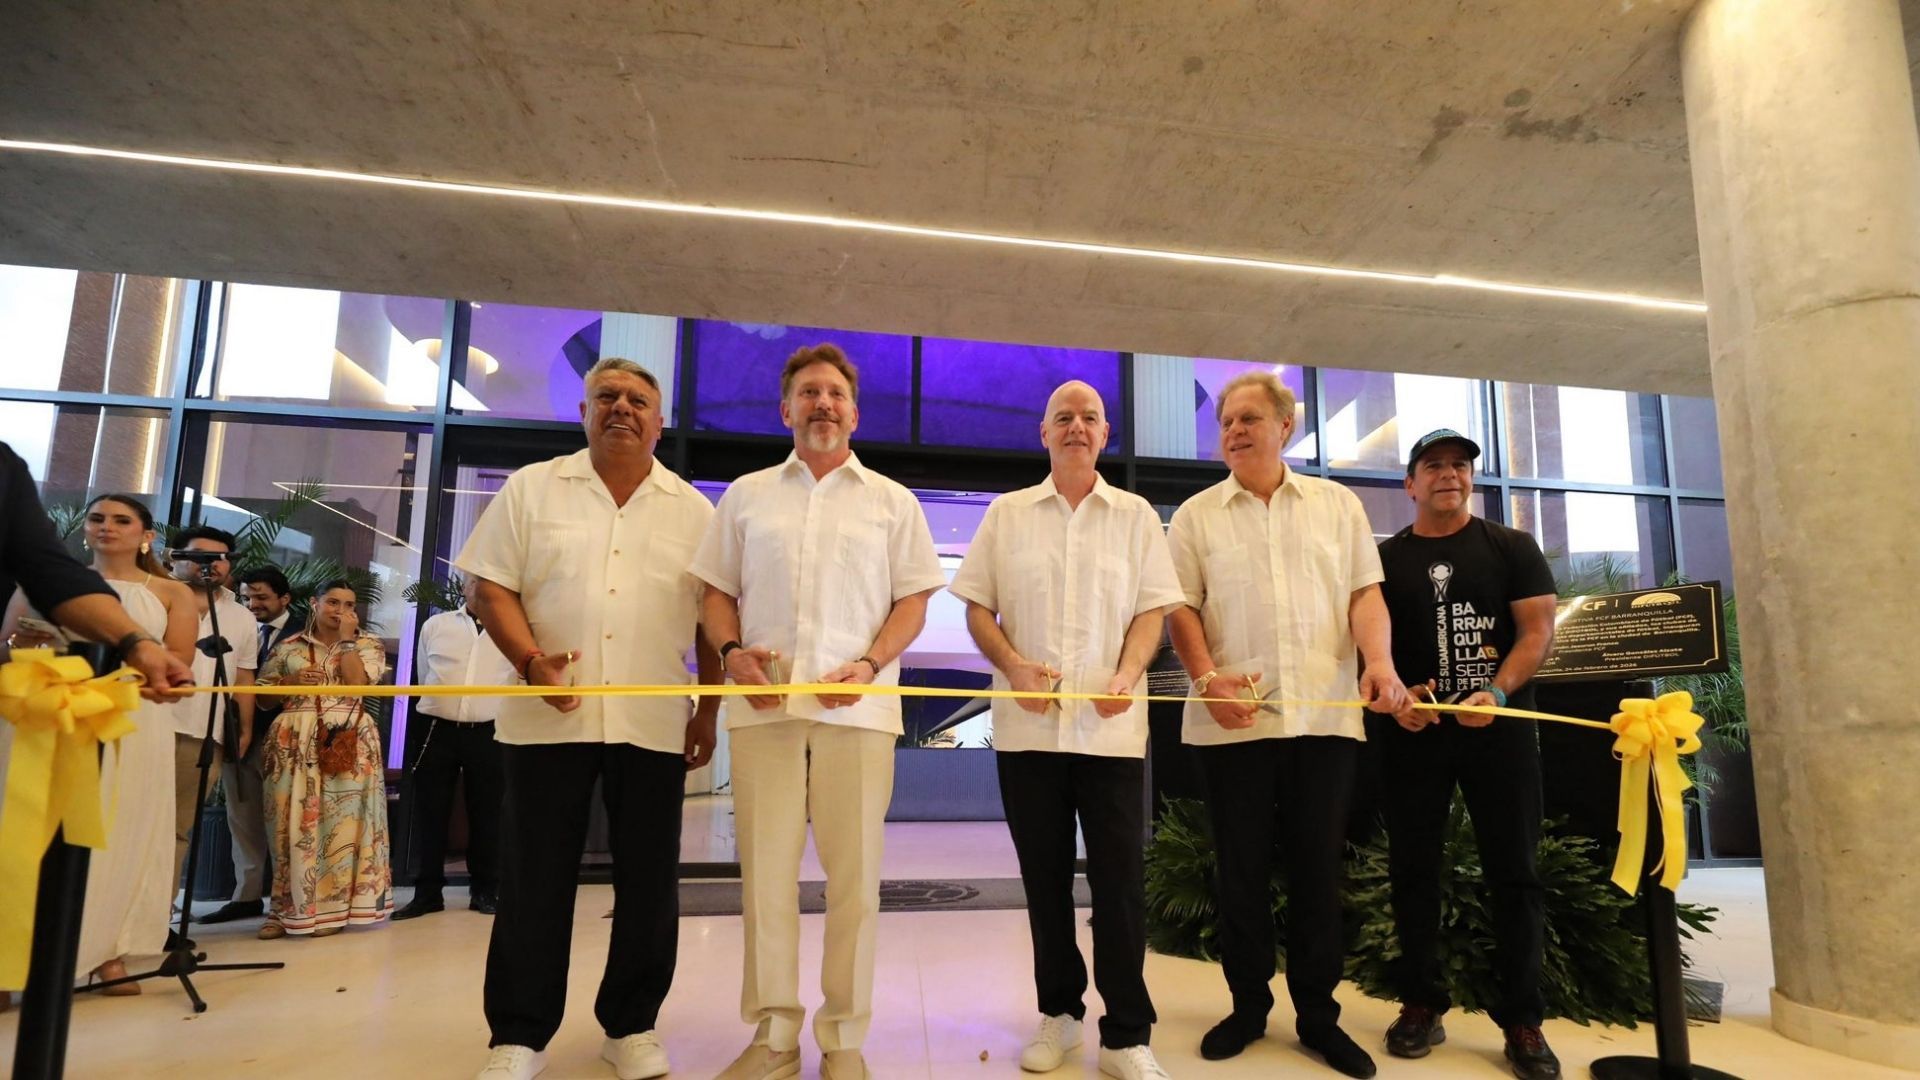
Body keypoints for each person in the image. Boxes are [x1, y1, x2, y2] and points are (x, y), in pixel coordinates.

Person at [456, 357, 720, 1080]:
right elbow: (491, 589)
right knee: (533, 877)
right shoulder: (532, 489)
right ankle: (518, 1033)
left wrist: (710, 712)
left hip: (652, 724)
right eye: (608, 396)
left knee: (649, 881)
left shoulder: (694, 510)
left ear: (660, 422)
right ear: (584, 410)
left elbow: (710, 621)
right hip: (548, 721)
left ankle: (631, 1025)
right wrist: (530, 660)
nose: (622, 409)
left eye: (639, 400)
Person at [691, 343, 947, 1080]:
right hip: (765, 711)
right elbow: (714, 591)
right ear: (786, 409)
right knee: (765, 877)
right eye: (808, 393)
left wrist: (869, 665)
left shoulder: (891, 501)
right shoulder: (745, 496)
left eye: (835, 394)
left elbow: (914, 602)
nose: (823, 404)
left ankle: (843, 1039)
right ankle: (772, 1035)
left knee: (855, 885)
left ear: (854, 412)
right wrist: (732, 651)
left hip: (859, 717)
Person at [1165, 371, 1408, 1079]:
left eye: (1249, 418)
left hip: (1323, 722)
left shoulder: (1338, 506)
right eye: (1225, 423)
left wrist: (1380, 664)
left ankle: (1318, 1019)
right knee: (1239, 875)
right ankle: (1245, 1009)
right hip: (1232, 726)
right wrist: (1207, 682)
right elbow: (1181, 610)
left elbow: (1366, 594)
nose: (1235, 431)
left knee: (1316, 877)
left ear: (1285, 427)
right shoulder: (1196, 515)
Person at [949, 381, 1185, 1080]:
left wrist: (1128, 670)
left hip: (1111, 732)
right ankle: (1060, 1016)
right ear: (1042, 433)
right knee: (1044, 883)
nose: (1076, 426)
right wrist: (1015, 665)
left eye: (1088, 417)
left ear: (1104, 434)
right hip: (1029, 734)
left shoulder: (1137, 516)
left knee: (1120, 886)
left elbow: (1152, 613)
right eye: (1063, 418)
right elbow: (978, 610)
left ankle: (1126, 1035)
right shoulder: (1007, 514)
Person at [1370, 430, 1562, 1080]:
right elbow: (1368, 646)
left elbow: (1538, 632)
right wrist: (1400, 695)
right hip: (1413, 735)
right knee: (1414, 871)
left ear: (1470, 479)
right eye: (1433, 465)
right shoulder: (1384, 560)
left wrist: (1497, 691)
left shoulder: (1511, 547)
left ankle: (1523, 1020)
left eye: (1459, 465)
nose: (1448, 474)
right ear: (1411, 484)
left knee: (1516, 873)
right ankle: (1421, 1002)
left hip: (1498, 735)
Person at [1, 492, 197, 995]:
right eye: (97, 518)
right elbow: (9, 646)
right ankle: (12, 960)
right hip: (52, 717)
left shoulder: (172, 593)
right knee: (35, 829)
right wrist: (29, 646)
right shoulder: (45, 584)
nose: (107, 527)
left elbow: (178, 660)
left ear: (145, 533)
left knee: (121, 828)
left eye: (121, 520)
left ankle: (110, 951)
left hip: (130, 719)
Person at [255, 578, 392, 938]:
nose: (341, 611)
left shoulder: (367, 645)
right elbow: (262, 698)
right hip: (292, 741)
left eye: (349, 605)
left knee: (342, 824)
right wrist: (292, 682)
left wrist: (347, 642)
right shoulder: (288, 646)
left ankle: (334, 910)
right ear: (314, 603)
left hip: (349, 738)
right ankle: (283, 911)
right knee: (287, 824)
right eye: (333, 602)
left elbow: (358, 687)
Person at [396, 575, 515, 920]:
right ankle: (427, 893)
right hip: (437, 728)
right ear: (464, 588)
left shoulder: (510, 630)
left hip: (490, 731)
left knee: (488, 813)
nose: (480, 589)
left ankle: (485, 890)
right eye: (474, 582)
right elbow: (422, 673)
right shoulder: (436, 625)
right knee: (431, 812)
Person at [165, 526, 258, 919]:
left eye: (219, 558)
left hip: (206, 735)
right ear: (175, 558)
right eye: (200, 556)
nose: (211, 565)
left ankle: (157, 918)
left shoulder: (239, 616)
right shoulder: (154, 599)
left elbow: (244, 678)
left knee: (177, 831)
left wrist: (244, 729)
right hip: (147, 728)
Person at [202, 564, 299, 924]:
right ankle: (245, 896)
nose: (253, 604)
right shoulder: (234, 626)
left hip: (287, 739)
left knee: (287, 820)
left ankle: (287, 898)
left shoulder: (304, 632)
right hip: (235, 734)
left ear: (284, 598)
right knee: (241, 817)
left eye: (261, 597)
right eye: (246, 596)